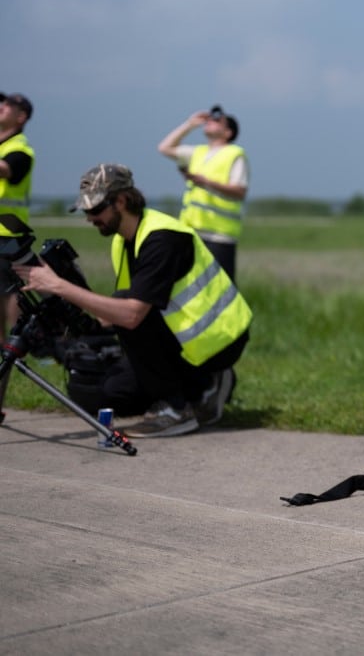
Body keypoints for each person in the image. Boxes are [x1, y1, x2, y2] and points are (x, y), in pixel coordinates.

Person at [15, 163, 252, 438]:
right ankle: (200, 387)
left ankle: (177, 410)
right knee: (110, 392)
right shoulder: (124, 240)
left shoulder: (163, 238)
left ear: (122, 200)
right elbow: (123, 304)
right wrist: (77, 324)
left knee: (128, 317)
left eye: (95, 209)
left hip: (217, 341)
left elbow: (131, 315)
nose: (90, 219)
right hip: (183, 340)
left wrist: (59, 285)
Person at [157, 105, 248, 280]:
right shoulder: (197, 152)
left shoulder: (235, 154)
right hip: (192, 231)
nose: (210, 121)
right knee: (189, 287)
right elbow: (164, 147)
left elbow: (240, 191)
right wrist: (190, 124)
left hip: (219, 236)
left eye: (217, 120)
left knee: (223, 289)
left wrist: (206, 182)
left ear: (228, 132)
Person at [0, 92, 35, 334]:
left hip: (6, 232)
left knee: (8, 294)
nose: (2, 106)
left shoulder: (21, 150)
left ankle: (14, 350)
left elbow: (5, 169)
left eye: (9, 105)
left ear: (21, 117)